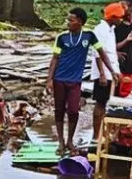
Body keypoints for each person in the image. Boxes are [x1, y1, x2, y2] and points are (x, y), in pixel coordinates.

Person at [47, 8, 116, 155]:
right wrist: (49, 80)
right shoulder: (62, 38)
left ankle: (70, 140)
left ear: (80, 22)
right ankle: (61, 141)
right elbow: (55, 59)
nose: (68, 23)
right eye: (68, 20)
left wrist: (111, 71)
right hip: (59, 79)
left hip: (75, 81)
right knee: (59, 110)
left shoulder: (89, 36)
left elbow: (101, 54)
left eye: (71, 20)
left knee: (73, 110)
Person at [90, 2, 124, 142]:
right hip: (102, 73)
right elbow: (97, 53)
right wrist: (102, 74)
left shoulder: (111, 29)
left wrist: (116, 71)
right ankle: (95, 136)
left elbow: (111, 53)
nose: (121, 20)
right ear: (112, 17)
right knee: (100, 103)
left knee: (105, 104)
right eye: (119, 17)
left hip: (111, 72)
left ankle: (101, 134)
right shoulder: (100, 30)